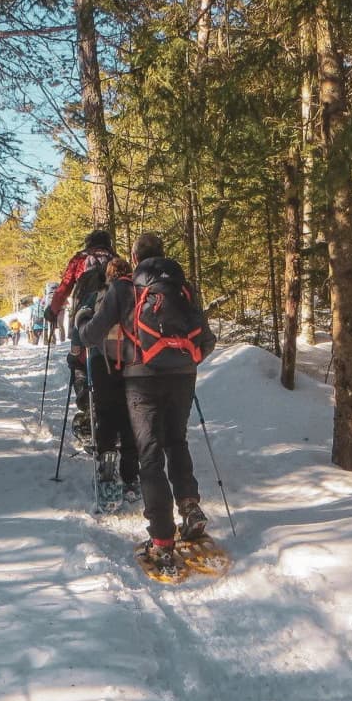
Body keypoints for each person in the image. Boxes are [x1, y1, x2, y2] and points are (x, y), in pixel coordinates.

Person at [78, 232, 216, 575]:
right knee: (177, 441)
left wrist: (81, 320)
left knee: (149, 454)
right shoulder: (183, 287)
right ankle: (189, 506)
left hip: (141, 377)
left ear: (136, 258)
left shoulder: (126, 288)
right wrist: (184, 362)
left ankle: (162, 538)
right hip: (183, 376)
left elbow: (93, 334)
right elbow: (207, 339)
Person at [73, 258, 141, 502]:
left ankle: (107, 459)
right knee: (130, 416)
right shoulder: (140, 294)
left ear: (108, 276)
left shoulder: (100, 295)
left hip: (102, 363)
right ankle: (131, 473)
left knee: (105, 413)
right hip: (134, 363)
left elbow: (86, 332)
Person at [45, 230, 119, 442]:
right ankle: (114, 416)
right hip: (113, 322)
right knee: (112, 361)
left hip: (82, 318)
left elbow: (64, 287)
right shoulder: (115, 260)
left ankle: (88, 416)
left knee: (80, 363)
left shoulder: (79, 260)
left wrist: (53, 310)